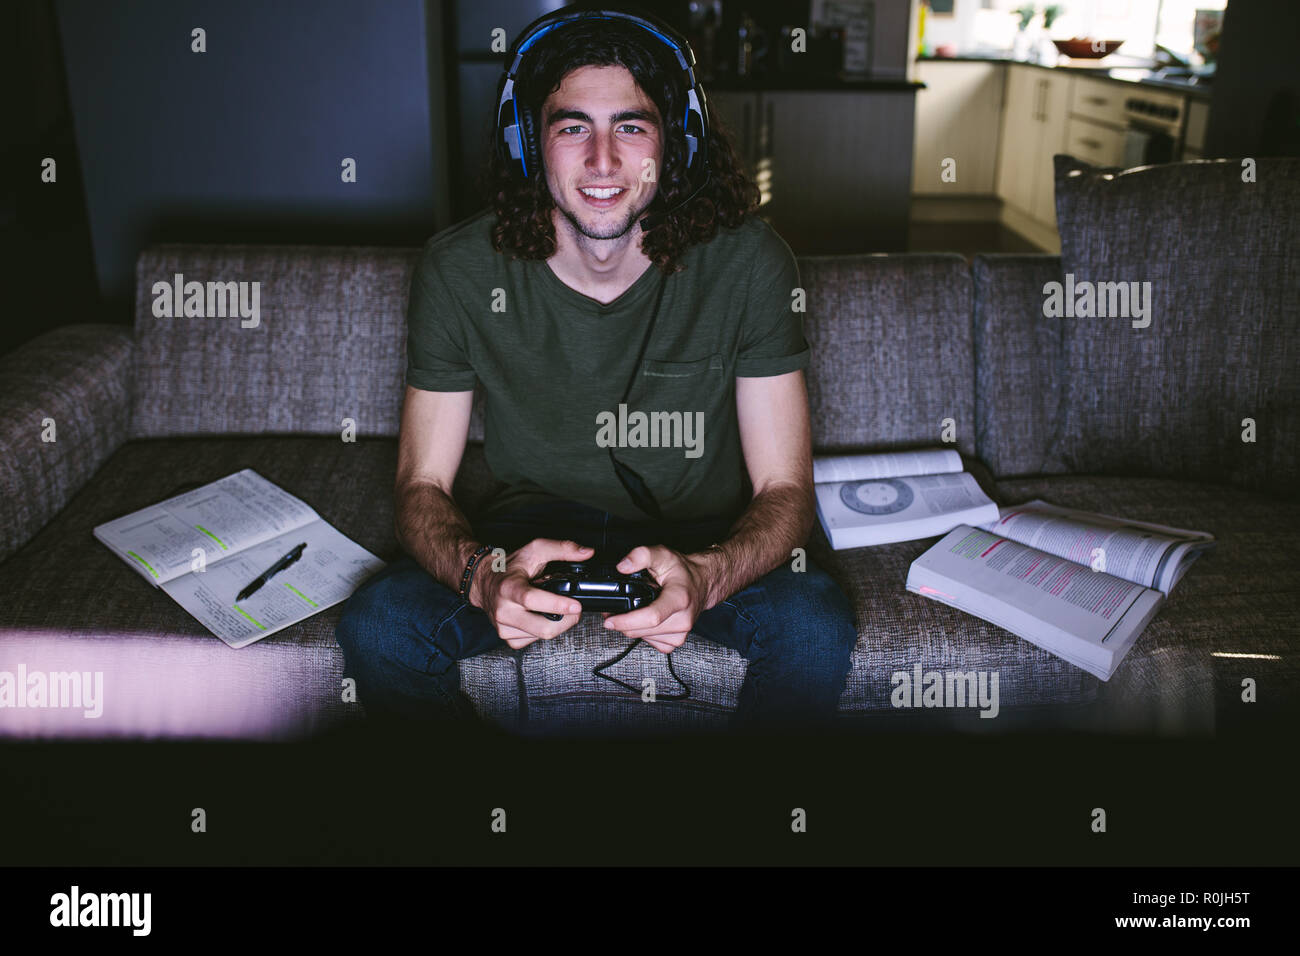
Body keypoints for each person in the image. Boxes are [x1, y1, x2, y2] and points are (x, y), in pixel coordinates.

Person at [335, 6, 857, 734]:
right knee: (380, 623)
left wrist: (708, 576)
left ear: (677, 145)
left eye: (633, 127)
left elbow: (785, 491)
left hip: (700, 532)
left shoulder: (750, 264)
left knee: (814, 625)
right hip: (530, 532)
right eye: (573, 126)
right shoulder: (459, 270)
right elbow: (420, 486)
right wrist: (485, 579)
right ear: (528, 144)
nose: (604, 161)